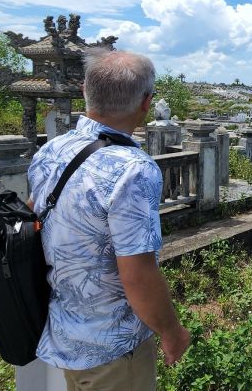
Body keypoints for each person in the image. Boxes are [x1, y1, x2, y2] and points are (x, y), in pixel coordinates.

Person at [28, 49, 190, 391]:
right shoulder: (134, 169)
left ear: (86, 91)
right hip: (111, 347)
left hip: (57, 330)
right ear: (146, 104)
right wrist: (172, 333)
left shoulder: (51, 150)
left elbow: (36, 221)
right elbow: (137, 275)